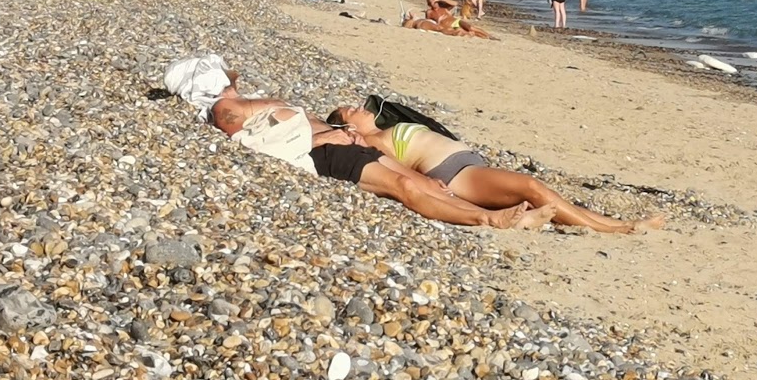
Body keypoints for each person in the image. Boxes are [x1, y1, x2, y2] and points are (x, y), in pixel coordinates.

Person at [205, 80, 551, 230]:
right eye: (225, 84)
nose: (231, 84)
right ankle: (486, 219)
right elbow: (269, 144)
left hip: (342, 140)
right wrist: (329, 136)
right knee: (404, 187)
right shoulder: (228, 110)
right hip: (327, 152)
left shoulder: (247, 100)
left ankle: (511, 219)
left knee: (429, 185)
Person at [329, 106, 664, 234]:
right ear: (348, 126)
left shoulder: (384, 127)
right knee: (533, 188)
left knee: (548, 198)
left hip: (467, 166)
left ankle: (623, 224)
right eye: (349, 110)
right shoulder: (376, 141)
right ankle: (612, 231)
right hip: (456, 175)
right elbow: (395, 168)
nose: (356, 106)